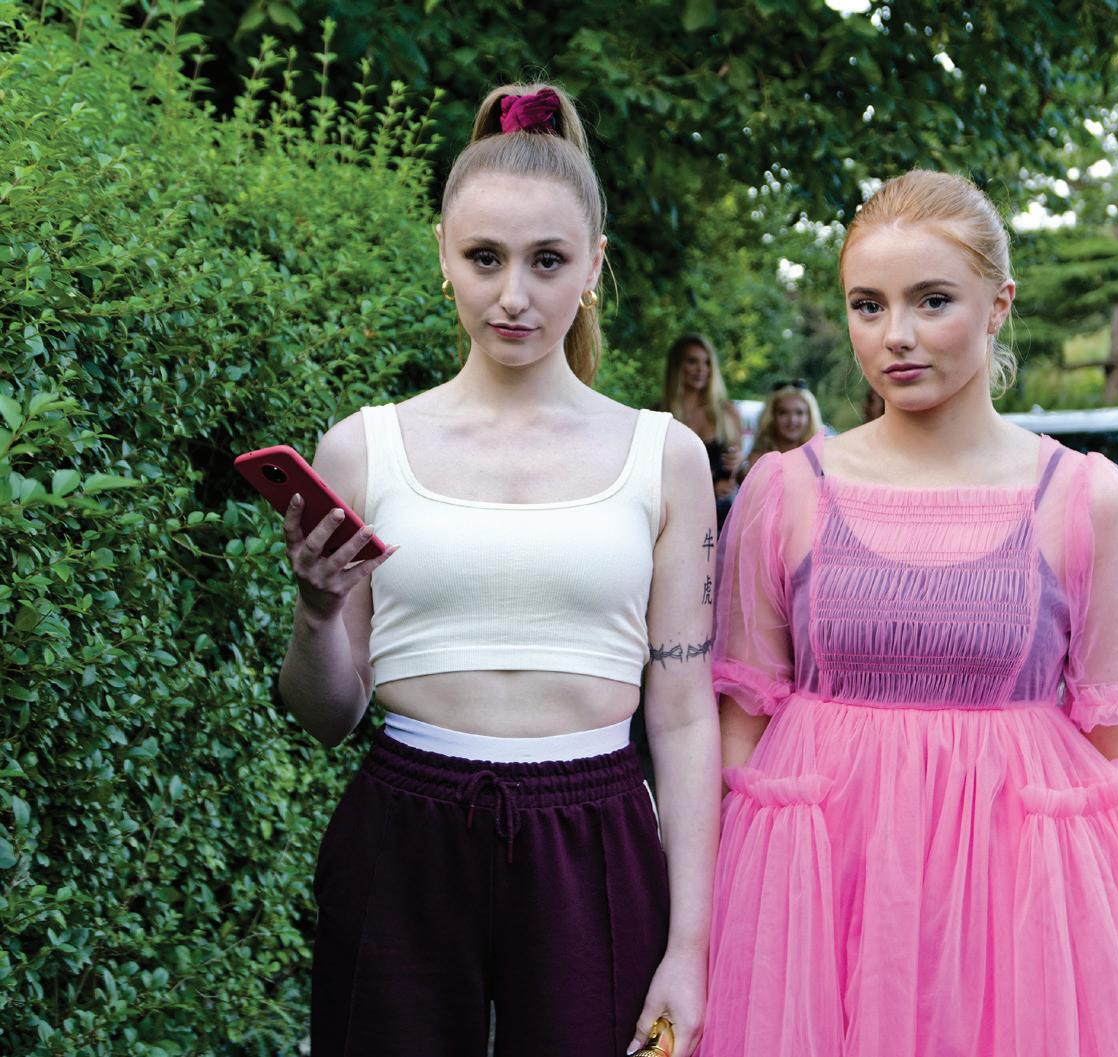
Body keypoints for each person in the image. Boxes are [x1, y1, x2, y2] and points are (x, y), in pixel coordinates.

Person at [701, 170, 1118, 1056]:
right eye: (868, 305)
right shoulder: (785, 490)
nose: (896, 334)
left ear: (998, 305)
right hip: (817, 905)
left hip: (1017, 917)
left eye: (931, 300)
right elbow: (739, 728)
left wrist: (1105, 962)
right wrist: (723, 918)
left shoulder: (1085, 498)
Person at [275, 83, 718, 1057]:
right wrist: (316, 612)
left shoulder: (665, 456)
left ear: (592, 265)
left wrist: (689, 945)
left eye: (546, 260)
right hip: (403, 824)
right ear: (443, 254)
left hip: (596, 831)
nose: (513, 293)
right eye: (484, 257)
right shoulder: (361, 448)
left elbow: (684, 715)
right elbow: (328, 714)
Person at [662, 334, 743, 505]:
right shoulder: (659, 414)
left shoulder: (727, 412)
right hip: (673, 507)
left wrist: (738, 463)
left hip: (719, 511)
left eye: (707, 362)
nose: (701, 369)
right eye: (692, 361)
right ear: (677, 366)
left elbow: (737, 474)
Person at [737, 380, 822, 483]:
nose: (792, 420)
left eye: (799, 413)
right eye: (783, 412)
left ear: (810, 417)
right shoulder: (757, 462)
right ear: (772, 416)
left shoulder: (822, 458)